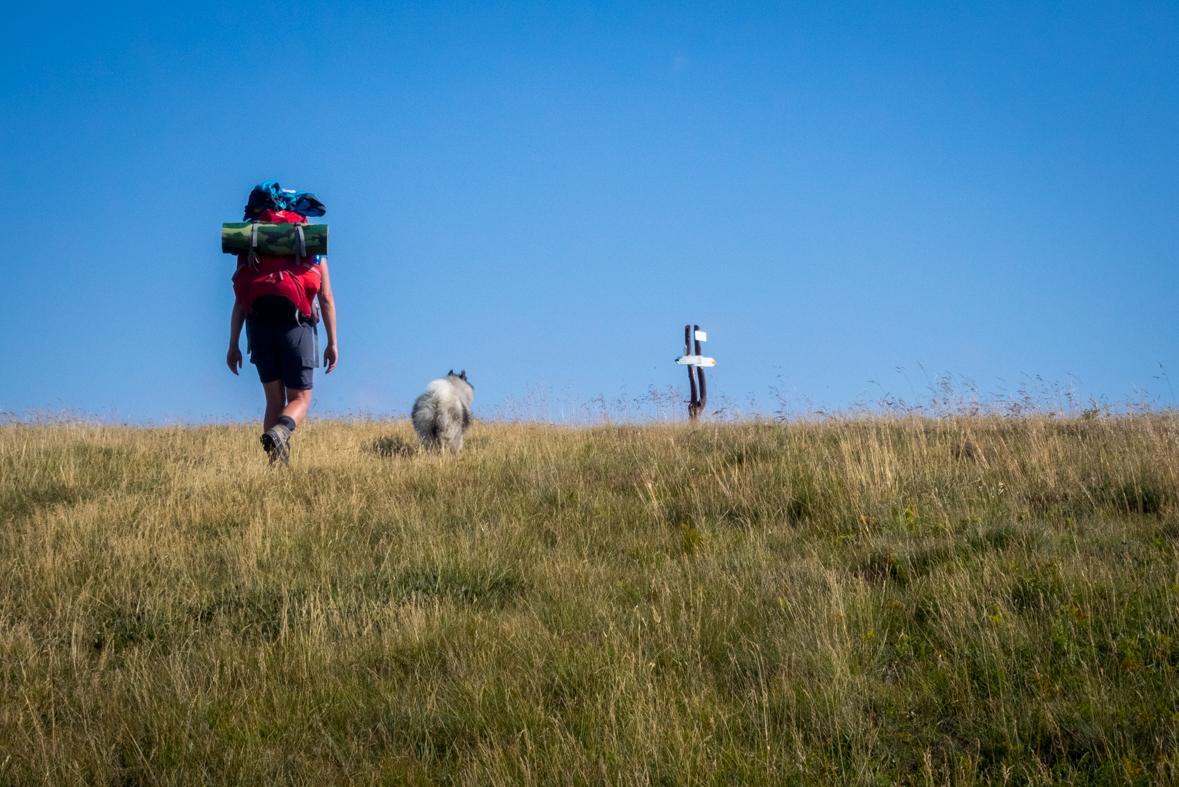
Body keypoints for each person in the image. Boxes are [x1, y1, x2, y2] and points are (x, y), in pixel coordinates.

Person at [225, 188, 337, 465]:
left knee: (273, 402)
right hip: (296, 327)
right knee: (300, 399)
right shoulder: (307, 242)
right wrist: (333, 343)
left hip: (258, 328)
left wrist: (233, 344)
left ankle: (275, 468)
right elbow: (325, 296)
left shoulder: (253, 242)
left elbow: (240, 299)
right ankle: (282, 430)